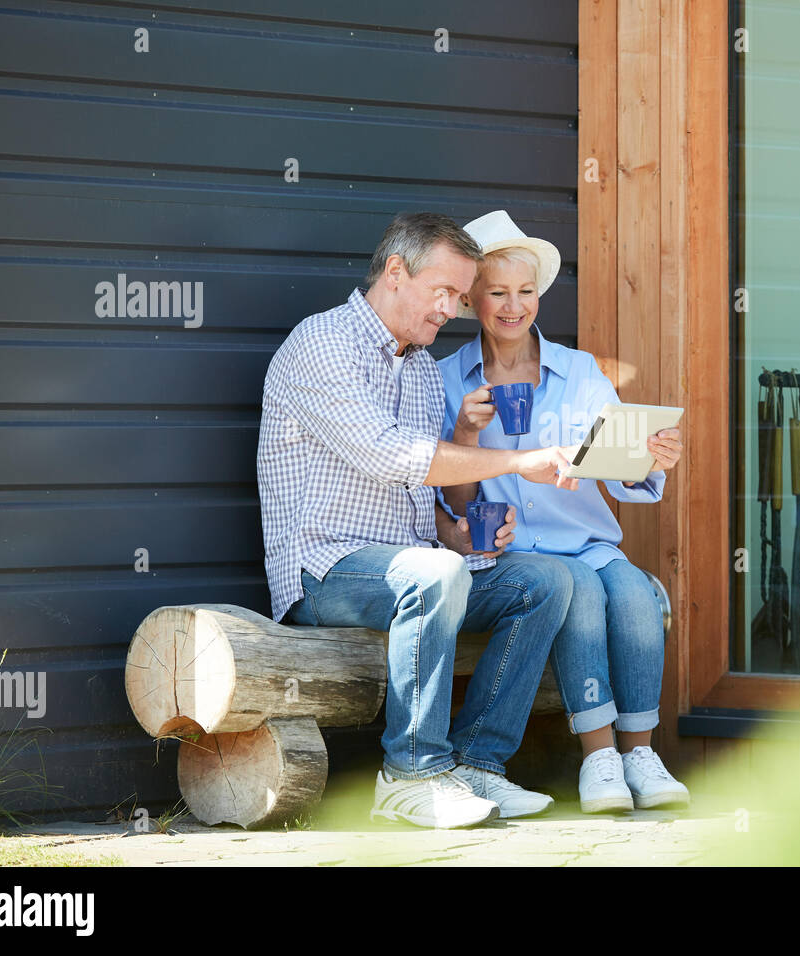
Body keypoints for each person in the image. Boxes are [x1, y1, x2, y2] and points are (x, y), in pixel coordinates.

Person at [256, 212, 582, 829]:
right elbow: (389, 454)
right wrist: (520, 459)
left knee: (544, 582)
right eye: (445, 291)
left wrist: (454, 531)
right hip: (325, 571)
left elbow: (418, 491)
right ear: (396, 271)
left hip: (415, 565)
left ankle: (479, 764)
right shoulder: (323, 343)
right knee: (435, 575)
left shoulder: (422, 372)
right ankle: (411, 774)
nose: (452, 309)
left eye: (461, 297)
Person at [438, 210, 691, 813]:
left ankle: (638, 756)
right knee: (579, 587)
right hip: (515, 557)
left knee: (632, 589)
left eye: (525, 292)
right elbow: (450, 502)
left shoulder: (578, 371)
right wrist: (467, 438)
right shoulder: (447, 380)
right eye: (497, 292)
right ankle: (598, 758)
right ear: (472, 298)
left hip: (589, 543)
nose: (512, 305)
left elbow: (622, 465)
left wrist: (651, 457)